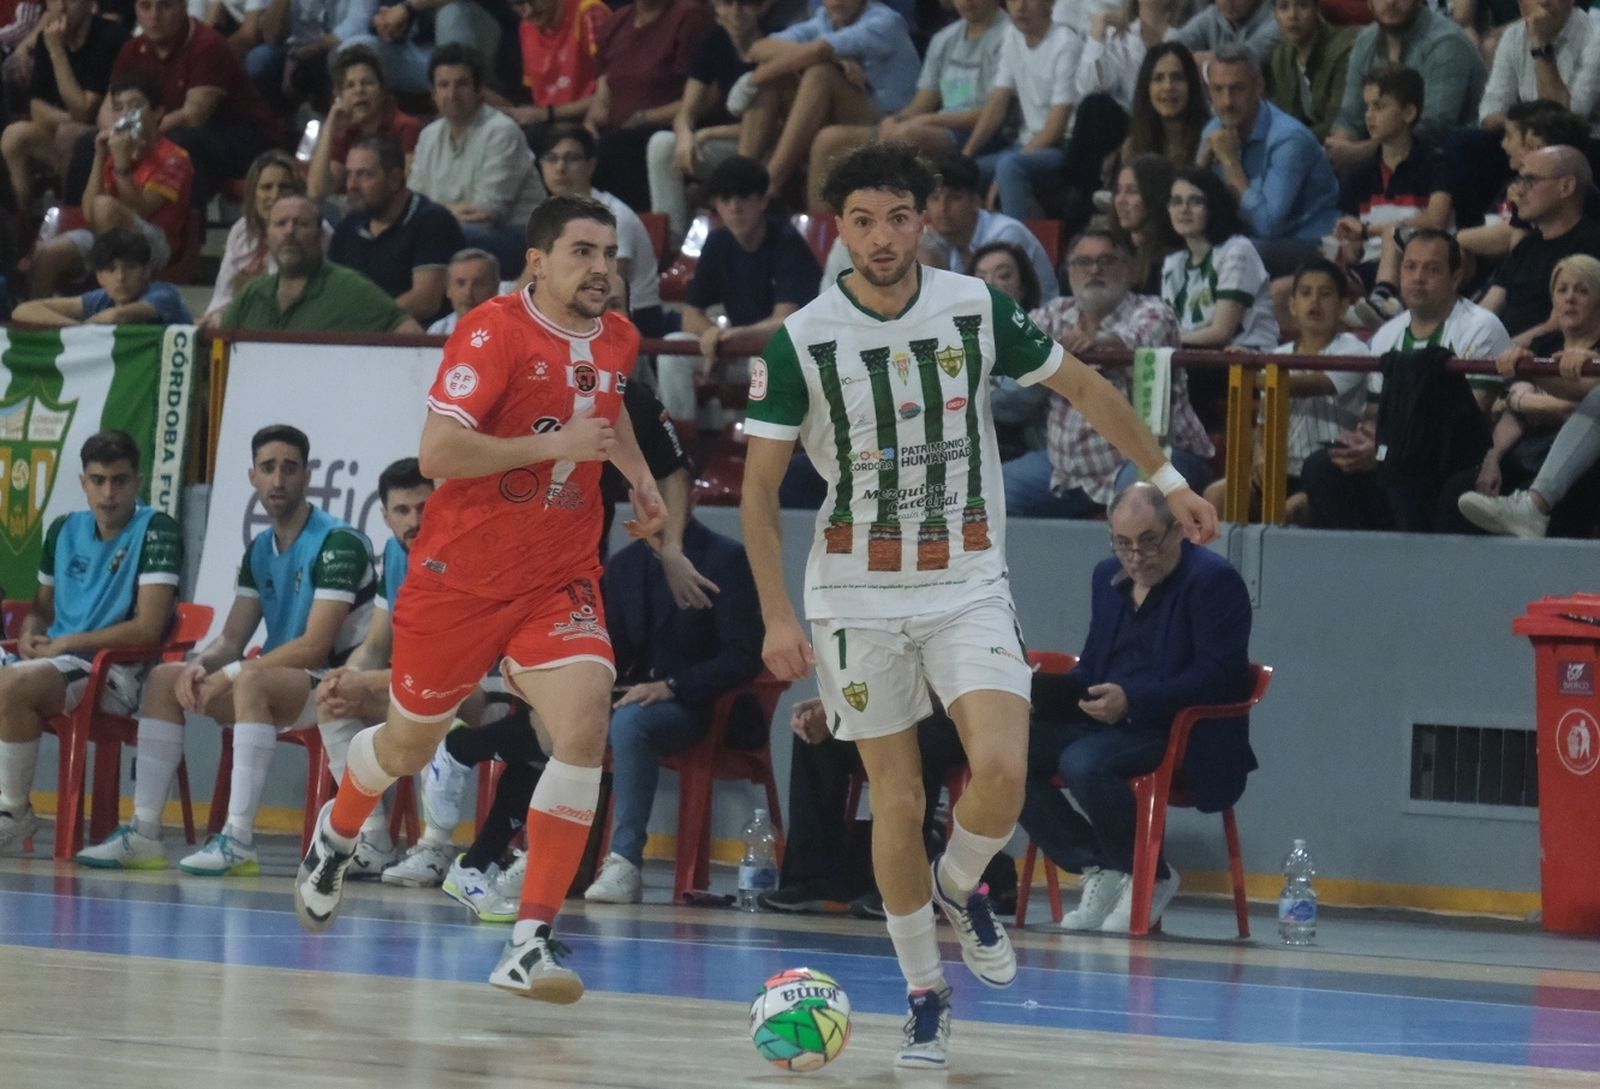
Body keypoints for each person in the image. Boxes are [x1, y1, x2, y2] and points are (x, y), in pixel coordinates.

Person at [738, 141, 1218, 1068]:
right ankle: (925, 995)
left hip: (965, 581)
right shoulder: (802, 339)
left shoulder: (975, 306)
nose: (883, 237)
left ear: (926, 220)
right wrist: (776, 615)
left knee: (1001, 767)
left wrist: (1168, 478)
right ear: (841, 231)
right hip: (854, 595)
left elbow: (1086, 386)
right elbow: (758, 490)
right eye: (864, 222)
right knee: (897, 796)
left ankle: (960, 885)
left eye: (899, 218)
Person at [289, 195, 669, 1009]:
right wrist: (555, 445)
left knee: (584, 724)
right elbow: (438, 452)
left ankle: (528, 939)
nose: (601, 267)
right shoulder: (493, 331)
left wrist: (638, 478)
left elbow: (607, 415)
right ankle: (338, 829)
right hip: (459, 579)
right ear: (537, 260)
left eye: (609, 253)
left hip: (558, 575)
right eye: (582, 251)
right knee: (407, 745)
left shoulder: (618, 336)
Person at [76, 424, 377, 874]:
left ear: (307, 474)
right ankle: (144, 833)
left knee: (251, 679)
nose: (278, 480)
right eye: (268, 468)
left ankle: (238, 839)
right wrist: (202, 665)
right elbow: (232, 639)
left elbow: (315, 647)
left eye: (289, 468)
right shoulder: (260, 549)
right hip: (283, 684)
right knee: (165, 678)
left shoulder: (338, 543)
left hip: (338, 686)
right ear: (252, 476)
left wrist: (234, 673)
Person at [1021, 482, 1253, 932]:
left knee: (1084, 762)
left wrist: (1133, 700)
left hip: (1177, 729)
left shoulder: (1213, 581)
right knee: (1009, 751)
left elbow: (1222, 676)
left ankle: (1150, 874)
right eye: (1123, 543)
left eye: (1148, 542)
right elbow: (1092, 665)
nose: (1136, 557)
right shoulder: (1107, 577)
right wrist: (1047, 695)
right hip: (1110, 722)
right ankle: (1098, 865)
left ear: (1177, 530)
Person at [0, 430, 181, 857]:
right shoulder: (63, 529)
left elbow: (148, 629)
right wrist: (29, 633)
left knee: (11, 686)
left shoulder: (157, 530)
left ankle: (13, 810)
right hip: (55, 663)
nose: (108, 492)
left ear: (138, 481)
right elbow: (41, 609)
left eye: (119, 480)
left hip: (111, 673)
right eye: (98, 480)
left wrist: (66, 642)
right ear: (83, 482)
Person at [582, 508, 765, 903]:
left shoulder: (724, 558)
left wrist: (672, 685)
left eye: (664, 491)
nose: (651, 503)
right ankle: (551, 856)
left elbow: (744, 655)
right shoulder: (624, 565)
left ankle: (625, 861)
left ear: (689, 496)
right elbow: (614, 649)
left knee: (630, 722)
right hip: (636, 695)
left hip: (704, 704)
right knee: (564, 716)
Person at [1299, 229, 1511, 530]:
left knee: (1404, 470)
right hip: (1395, 456)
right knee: (1322, 467)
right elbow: (1374, 416)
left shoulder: (1482, 327)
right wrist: (1365, 445)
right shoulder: (1387, 334)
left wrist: (1387, 451)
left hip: (1454, 460)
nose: (1418, 277)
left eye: (1432, 269)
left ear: (1455, 278)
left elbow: (1470, 422)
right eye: (1410, 267)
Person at [1006, 228, 1214, 518]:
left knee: (1139, 505)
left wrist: (1097, 342)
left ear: (1129, 270)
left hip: (1154, 455)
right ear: (1069, 272)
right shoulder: (1053, 313)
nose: (1094, 269)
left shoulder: (1154, 311)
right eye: (1083, 262)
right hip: (1064, 470)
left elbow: (1138, 340)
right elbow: (1014, 345)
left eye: (1106, 260)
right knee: (988, 493)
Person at [312, 457, 442, 880]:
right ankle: (372, 840)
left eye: (423, 508)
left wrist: (364, 679)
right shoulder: (394, 554)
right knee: (333, 702)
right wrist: (343, 678)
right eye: (402, 510)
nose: (414, 521)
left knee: (428, 701)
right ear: (385, 516)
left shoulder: (460, 553)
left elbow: (443, 668)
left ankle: (436, 846)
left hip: (477, 687)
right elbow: (375, 645)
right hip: (415, 686)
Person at [655, 155, 820, 429]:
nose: (734, 207)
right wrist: (711, 336)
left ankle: (770, 443)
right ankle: (681, 440)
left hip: (791, 353)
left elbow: (785, 323)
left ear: (762, 201)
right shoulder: (717, 242)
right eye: (725, 199)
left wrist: (731, 337)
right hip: (737, 346)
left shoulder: (787, 243)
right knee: (673, 351)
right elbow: (690, 315)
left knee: (763, 362)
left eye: (743, 197)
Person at [1204, 257, 1370, 523]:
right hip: (1278, 470)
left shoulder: (1353, 351)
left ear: (1342, 306)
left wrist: (1248, 369)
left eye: (1325, 294)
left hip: (1327, 472)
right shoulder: (1277, 355)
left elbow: (1304, 386)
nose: (1314, 301)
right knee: (1216, 496)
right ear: (1292, 305)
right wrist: (1260, 457)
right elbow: (1263, 424)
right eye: (1305, 293)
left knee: (1289, 511)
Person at [802, 0, 1011, 210]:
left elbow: (992, 111)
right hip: (938, 125)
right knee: (828, 140)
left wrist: (928, 120)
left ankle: (888, 220)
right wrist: (896, 119)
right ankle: (823, 226)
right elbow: (923, 102)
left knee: (906, 137)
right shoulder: (945, 38)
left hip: (983, 133)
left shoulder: (1008, 35)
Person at [1459, 254, 1600, 537]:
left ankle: (1534, 507)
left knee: (1573, 499)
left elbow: (1581, 400)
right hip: (1528, 450)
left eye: (1582, 291)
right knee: (1460, 488)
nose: (1570, 298)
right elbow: (1512, 404)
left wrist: (1525, 393)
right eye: (1562, 290)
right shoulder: (1544, 344)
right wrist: (1492, 459)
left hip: (1581, 463)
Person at [739, 0, 919, 205]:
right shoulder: (824, 19)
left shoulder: (885, 21)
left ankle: (770, 181)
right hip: (848, 107)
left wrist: (753, 80)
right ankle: (740, 177)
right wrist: (835, 59)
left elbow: (820, 51)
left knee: (821, 73)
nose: (837, 2)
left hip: (890, 117)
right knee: (775, 79)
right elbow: (759, 48)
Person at [29, 71, 191, 297]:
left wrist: (122, 166)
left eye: (135, 106)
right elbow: (89, 211)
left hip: (155, 240)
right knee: (47, 254)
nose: (125, 114)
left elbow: (142, 210)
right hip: (103, 232)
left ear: (157, 112)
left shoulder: (174, 157)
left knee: (106, 207)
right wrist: (100, 156)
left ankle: (109, 291)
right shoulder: (115, 150)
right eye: (119, 107)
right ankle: (34, 317)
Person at [98, 0, 280, 200]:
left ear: (184, 6)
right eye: (145, 6)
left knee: (181, 142)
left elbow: (192, 116)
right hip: (164, 132)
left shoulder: (207, 44)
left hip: (244, 138)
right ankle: (94, 214)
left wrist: (139, 138)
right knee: (90, 143)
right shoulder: (133, 49)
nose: (154, 16)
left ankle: (187, 217)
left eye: (166, 6)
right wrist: (115, 137)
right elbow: (107, 109)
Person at [408, 44, 547, 276]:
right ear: (433, 93)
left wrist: (432, 213)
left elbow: (485, 213)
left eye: (461, 84)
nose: (452, 94)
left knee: (443, 235)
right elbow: (413, 204)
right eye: (443, 85)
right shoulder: (428, 135)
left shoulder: (502, 131)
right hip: (454, 230)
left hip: (517, 239)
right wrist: (443, 213)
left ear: (479, 89)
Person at [1198, 42, 1338, 271]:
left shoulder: (1289, 139)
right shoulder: (1213, 130)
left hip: (1309, 242)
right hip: (1248, 240)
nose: (1226, 102)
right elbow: (1190, 206)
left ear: (1259, 86)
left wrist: (1231, 163)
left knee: (1239, 254)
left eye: (1237, 89)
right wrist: (1201, 169)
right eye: (1218, 90)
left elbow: (1267, 226)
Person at [1332, 66, 1453, 324]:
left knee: (1394, 233)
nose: (1369, 115)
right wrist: (1343, 245)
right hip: (1368, 267)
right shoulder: (1358, 174)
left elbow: (1436, 220)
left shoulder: (1436, 163)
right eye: (1367, 107)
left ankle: (1384, 298)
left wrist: (1368, 231)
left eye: (1379, 106)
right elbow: (1354, 251)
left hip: (1419, 265)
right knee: (1297, 286)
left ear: (1408, 113)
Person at [536, 124, 668, 337]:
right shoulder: (548, 216)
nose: (560, 168)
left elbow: (610, 285)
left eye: (571, 159)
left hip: (632, 318)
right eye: (552, 159)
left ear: (590, 165)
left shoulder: (613, 216)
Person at [584, 0, 714, 214]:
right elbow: (604, 89)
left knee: (613, 148)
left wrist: (645, 117)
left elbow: (707, 97)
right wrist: (590, 123)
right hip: (617, 128)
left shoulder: (689, 16)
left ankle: (634, 227)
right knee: (569, 146)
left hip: (666, 124)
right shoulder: (617, 21)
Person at [1324, 0, 1487, 172]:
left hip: (1453, 164)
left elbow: (1432, 130)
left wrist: (1357, 153)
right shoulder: (1366, 39)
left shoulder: (1446, 42)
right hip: (1385, 162)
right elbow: (1350, 116)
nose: (1390, 2)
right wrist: (1339, 146)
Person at [222, 194, 422, 333]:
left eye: (301, 224)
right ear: (267, 237)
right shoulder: (251, 294)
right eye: (281, 223)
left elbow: (410, 334)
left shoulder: (349, 287)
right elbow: (220, 348)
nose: (290, 231)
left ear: (319, 235)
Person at [1, 0, 128, 213]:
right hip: (66, 132)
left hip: (106, 140)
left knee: (69, 134)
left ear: (89, 4)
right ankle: (20, 222)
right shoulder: (47, 37)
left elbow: (85, 111)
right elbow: (37, 110)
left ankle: (72, 216)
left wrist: (57, 52)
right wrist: (69, 119)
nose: (60, 7)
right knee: (14, 135)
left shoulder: (109, 37)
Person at [646, 0, 759, 239]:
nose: (736, 12)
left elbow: (772, 126)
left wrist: (707, 133)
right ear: (716, 7)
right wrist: (685, 136)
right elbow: (686, 112)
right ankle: (670, 241)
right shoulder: (714, 41)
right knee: (661, 144)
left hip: (762, 146)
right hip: (728, 144)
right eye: (728, 3)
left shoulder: (774, 43)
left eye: (745, 4)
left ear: (759, 7)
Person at [960, 0, 1082, 218]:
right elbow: (998, 100)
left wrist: (1002, 174)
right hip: (1026, 144)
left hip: (1063, 146)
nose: (1021, 7)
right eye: (1014, 0)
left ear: (1050, 3)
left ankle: (1014, 238)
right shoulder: (1012, 35)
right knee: (963, 174)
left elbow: (1056, 127)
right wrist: (965, 156)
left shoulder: (1066, 44)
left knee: (1009, 167)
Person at [330, 136, 466, 327]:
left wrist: (363, 324)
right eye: (349, 175)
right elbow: (331, 290)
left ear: (394, 179)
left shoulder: (432, 221)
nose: (352, 185)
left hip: (418, 337)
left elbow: (426, 301)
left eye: (364, 175)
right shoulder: (349, 226)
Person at [1479, 145, 1600, 344]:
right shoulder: (1527, 245)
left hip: (1545, 357)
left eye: (1529, 181)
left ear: (1566, 187)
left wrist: (1496, 353)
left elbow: (1558, 323)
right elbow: (1489, 307)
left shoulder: (1592, 244)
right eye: (1519, 181)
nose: (1518, 191)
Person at [203, 150, 329, 328]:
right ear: (253, 193)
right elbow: (221, 298)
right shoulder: (241, 231)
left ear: (297, 192)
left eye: (284, 187)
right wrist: (215, 319)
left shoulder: (315, 231)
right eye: (266, 187)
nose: (275, 195)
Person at [1161, 167, 1280, 350]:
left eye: (1196, 201)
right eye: (1176, 202)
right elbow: (1171, 328)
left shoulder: (1237, 251)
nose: (1184, 209)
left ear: (1213, 207)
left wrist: (1166, 342)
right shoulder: (1173, 263)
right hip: (1192, 355)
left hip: (1247, 357)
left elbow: (1221, 333)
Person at [918, 154, 1060, 299]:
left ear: (976, 202)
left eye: (955, 198)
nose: (942, 208)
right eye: (935, 198)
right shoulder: (940, 240)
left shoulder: (1006, 234)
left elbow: (1000, 300)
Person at [306, 44, 423, 203]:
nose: (359, 90)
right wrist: (329, 125)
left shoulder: (406, 126)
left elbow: (408, 190)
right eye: (350, 85)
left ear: (382, 90)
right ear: (339, 96)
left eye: (367, 83)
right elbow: (316, 192)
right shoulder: (345, 133)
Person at [14, 227, 191, 325]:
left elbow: (117, 316)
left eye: (130, 267)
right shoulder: (101, 299)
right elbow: (23, 310)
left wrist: (86, 329)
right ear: (99, 277)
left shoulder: (164, 294)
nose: (120, 277)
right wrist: (75, 327)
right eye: (111, 269)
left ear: (146, 271)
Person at [332, 0, 502, 97]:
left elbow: (406, 9)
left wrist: (408, 8)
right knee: (351, 49)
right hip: (423, 58)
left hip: (478, 38)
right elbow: (379, 19)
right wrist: (388, 28)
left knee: (451, 13)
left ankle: (469, 93)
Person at [1477, 0, 1600, 131]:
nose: (1544, 2)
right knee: (1466, 139)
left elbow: (1565, 121)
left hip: (1582, 139)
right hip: (1523, 134)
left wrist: (1541, 44)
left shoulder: (1594, 37)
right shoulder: (1513, 35)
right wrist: (1517, 127)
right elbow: (1490, 109)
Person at [243, 0, 372, 111]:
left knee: (348, 53)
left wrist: (304, 54)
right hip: (292, 48)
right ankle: (276, 125)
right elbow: (270, 36)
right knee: (260, 58)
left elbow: (357, 23)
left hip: (335, 48)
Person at [1263, 0, 1354, 141]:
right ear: (1275, 14)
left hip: (1335, 143)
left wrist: (1290, 138)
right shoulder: (1280, 55)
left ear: (1317, 9)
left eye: (1302, 5)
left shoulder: (1343, 51)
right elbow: (1283, 115)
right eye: (1283, 7)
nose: (1292, 16)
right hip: (1299, 140)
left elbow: (1337, 122)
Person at [1121, 40, 1210, 168]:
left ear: (1191, 85)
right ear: (1147, 87)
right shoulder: (1133, 148)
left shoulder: (1210, 137)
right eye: (1158, 78)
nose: (1168, 87)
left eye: (1177, 77)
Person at [1112, 153, 1177, 295]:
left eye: (1132, 191)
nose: (1121, 200)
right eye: (1118, 190)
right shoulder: (1112, 249)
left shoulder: (1173, 260)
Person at [1171, 0, 1279, 65]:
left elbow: (1241, 60)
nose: (1227, 1)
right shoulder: (1213, 15)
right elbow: (1169, 47)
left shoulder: (1278, 22)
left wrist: (1188, 59)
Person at [427, 247, 501, 336]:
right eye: (461, 283)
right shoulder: (437, 331)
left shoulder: (509, 330)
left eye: (478, 284)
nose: (468, 293)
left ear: (495, 289)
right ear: (448, 289)